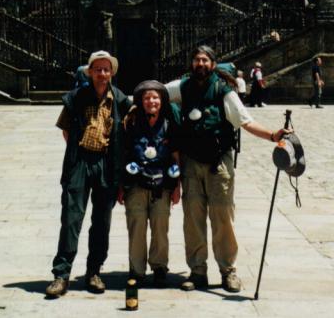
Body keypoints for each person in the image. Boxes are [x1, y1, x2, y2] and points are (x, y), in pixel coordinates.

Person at [165, 45, 290, 293]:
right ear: (192, 64)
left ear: (212, 64)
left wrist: (272, 135)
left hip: (218, 162)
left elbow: (246, 121)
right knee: (193, 219)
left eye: (204, 60)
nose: (200, 64)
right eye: (196, 60)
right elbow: (155, 92)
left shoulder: (224, 91)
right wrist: (135, 104)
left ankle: (228, 270)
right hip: (191, 162)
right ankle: (197, 271)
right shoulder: (182, 87)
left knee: (222, 218)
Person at [46, 50, 131, 298]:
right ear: (90, 72)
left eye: (106, 69)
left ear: (112, 73)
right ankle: (61, 275)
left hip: (107, 163)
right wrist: (78, 149)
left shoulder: (121, 100)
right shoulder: (76, 97)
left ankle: (94, 271)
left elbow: (130, 129)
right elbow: (65, 129)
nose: (102, 74)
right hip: (80, 161)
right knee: (72, 218)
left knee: (101, 221)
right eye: (97, 69)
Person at [118, 80, 181, 288]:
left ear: (162, 101)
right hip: (135, 183)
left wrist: (177, 185)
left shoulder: (170, 123)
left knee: (160, 226)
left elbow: (175, 155)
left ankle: (160, 267)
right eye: (147, 98)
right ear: (140, 101)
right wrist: (120, 185)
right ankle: (136, 269)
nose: (151, 101)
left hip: (162, 184)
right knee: (136, 226)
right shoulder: (131, 122)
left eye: (155, 97)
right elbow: (123, 154)